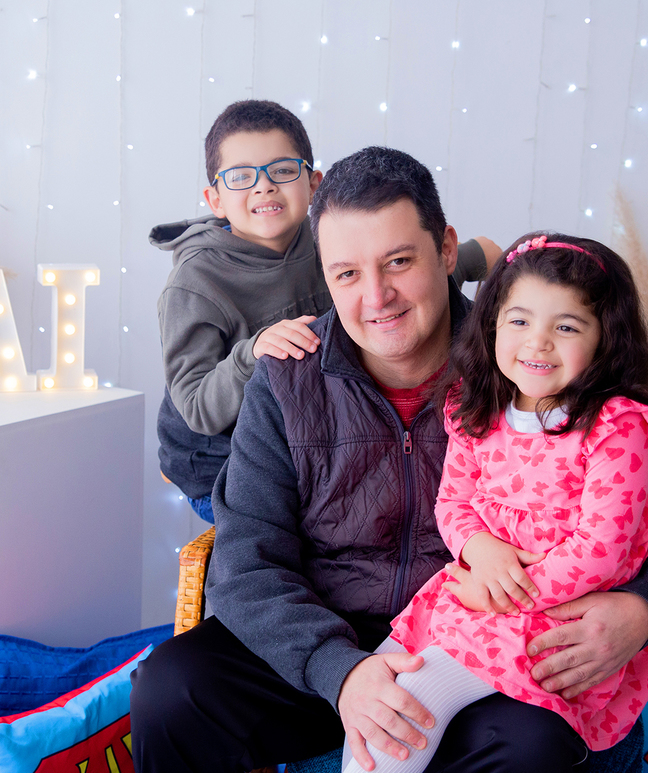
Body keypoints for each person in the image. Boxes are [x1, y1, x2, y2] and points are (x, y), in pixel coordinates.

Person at [131, 146, 648, 773]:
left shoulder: (527, 368)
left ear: (446, 249)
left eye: (398, 262)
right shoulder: (289, 380)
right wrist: (341, 673)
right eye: (346, 273)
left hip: (479, 653)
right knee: (171, 691)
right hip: (331, 650)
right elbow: (248, 561)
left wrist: (642, 610)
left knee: (530, 750)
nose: (375, 298)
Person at [323, 231, 648, 773]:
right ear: (491, 326)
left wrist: (512, 591)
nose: (538, 344)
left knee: (415, 696)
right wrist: (477, 550)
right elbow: (453, 503)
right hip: (470, 593)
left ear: (605, 337)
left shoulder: (617, 427)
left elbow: (603, 549)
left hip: (550, 616)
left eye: (566, 326)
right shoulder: (476, 407)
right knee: (383, 676)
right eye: (519, 322)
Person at [152, 101, 496, 523]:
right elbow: (197, 409)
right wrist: (252, 352)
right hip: (217, 461)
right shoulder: (196, 283)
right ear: (215, 198)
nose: (263, 187)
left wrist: (476, 264)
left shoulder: (327, 241)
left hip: (311, 439)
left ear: (313, 184)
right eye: (241, 177)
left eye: (281, 170)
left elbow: (408, 264)